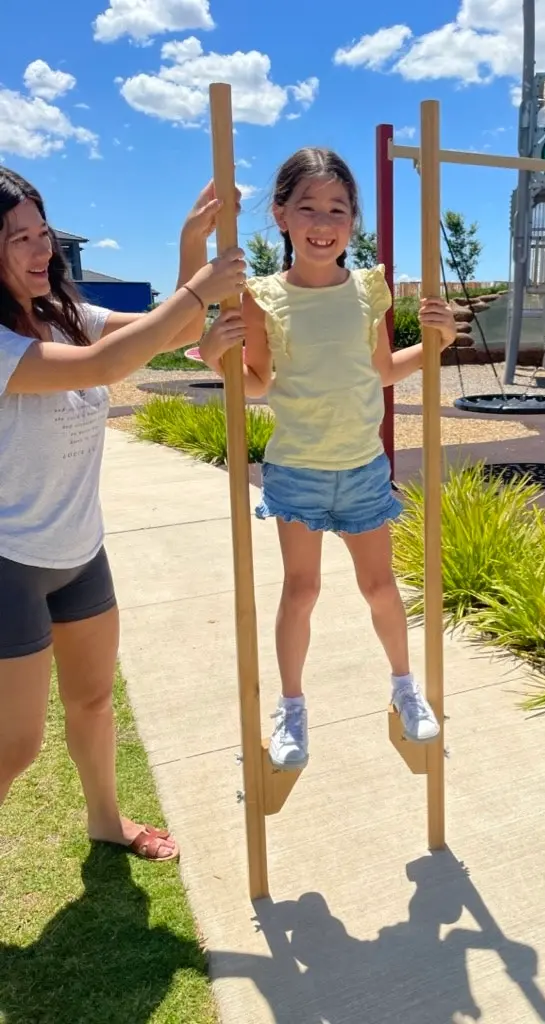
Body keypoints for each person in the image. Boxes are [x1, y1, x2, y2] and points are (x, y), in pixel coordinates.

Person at [0, 167, 246, 860]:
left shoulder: (62, 311)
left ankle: (105, 819)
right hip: (10, 559)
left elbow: (170, 334)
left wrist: (190, 244)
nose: (40, 249)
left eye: (43, 233)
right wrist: (201, 288)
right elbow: (106, 365)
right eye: (19, 238)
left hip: (79, 550)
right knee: (15, 744)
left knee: (93, 701)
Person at [199, 147, 457, 770]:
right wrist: (215, 356)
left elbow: (380, 373)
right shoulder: (262, 296)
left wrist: (435, 346)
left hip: (363, 467)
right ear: (282, 216)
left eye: (337, 209)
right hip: (298, 470)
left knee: (380, 586)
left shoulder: (370, 289)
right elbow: (258, 381)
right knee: (302, 589)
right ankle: (291, 706)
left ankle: (404, 687)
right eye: (308, 207)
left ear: (354, 221)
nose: (323, 221)